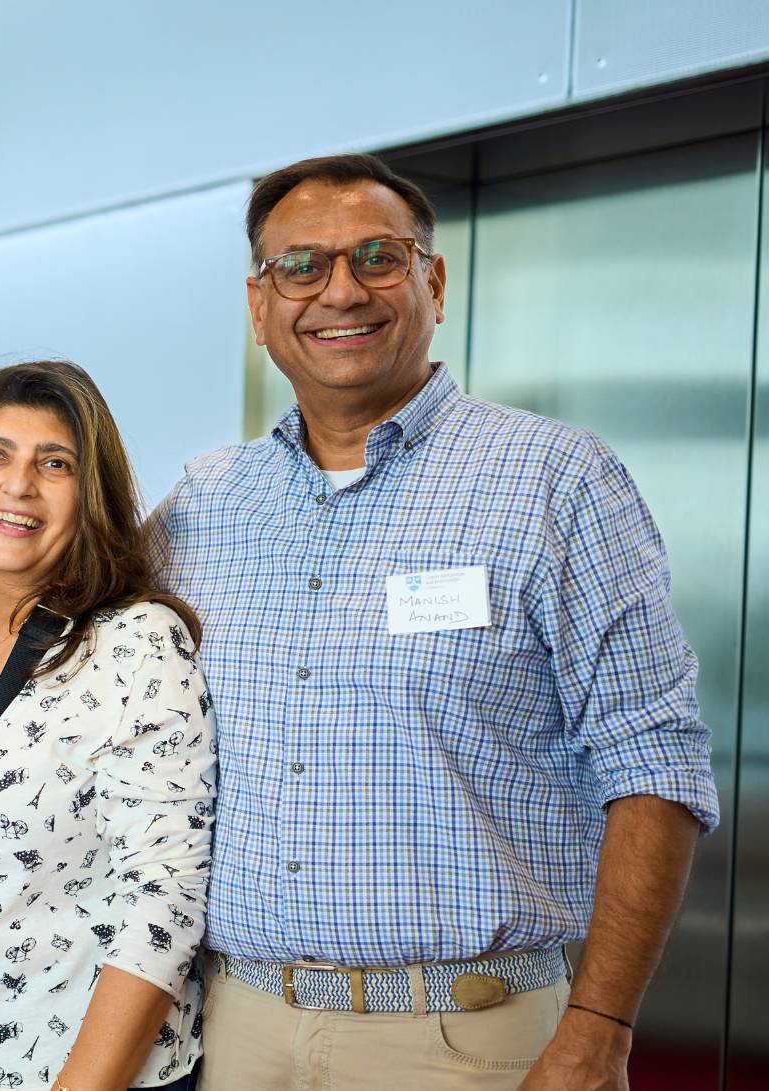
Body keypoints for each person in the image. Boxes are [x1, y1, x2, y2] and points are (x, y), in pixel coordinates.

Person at [154, 154, 720, 1091]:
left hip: (470, 1040)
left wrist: (599, 1028)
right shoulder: (203, 504)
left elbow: (654, 761)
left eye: (377, 257)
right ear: (260, 306)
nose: (341, 290)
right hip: (235, 1030)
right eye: (302, 266)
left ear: (435, 283)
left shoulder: (556, 479)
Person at [0, 361, 211, 1091]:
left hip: (83, 1071)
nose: (18, 485)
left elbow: (164, 897)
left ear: (91, 496)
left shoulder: (134, 643)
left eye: (55, 464)